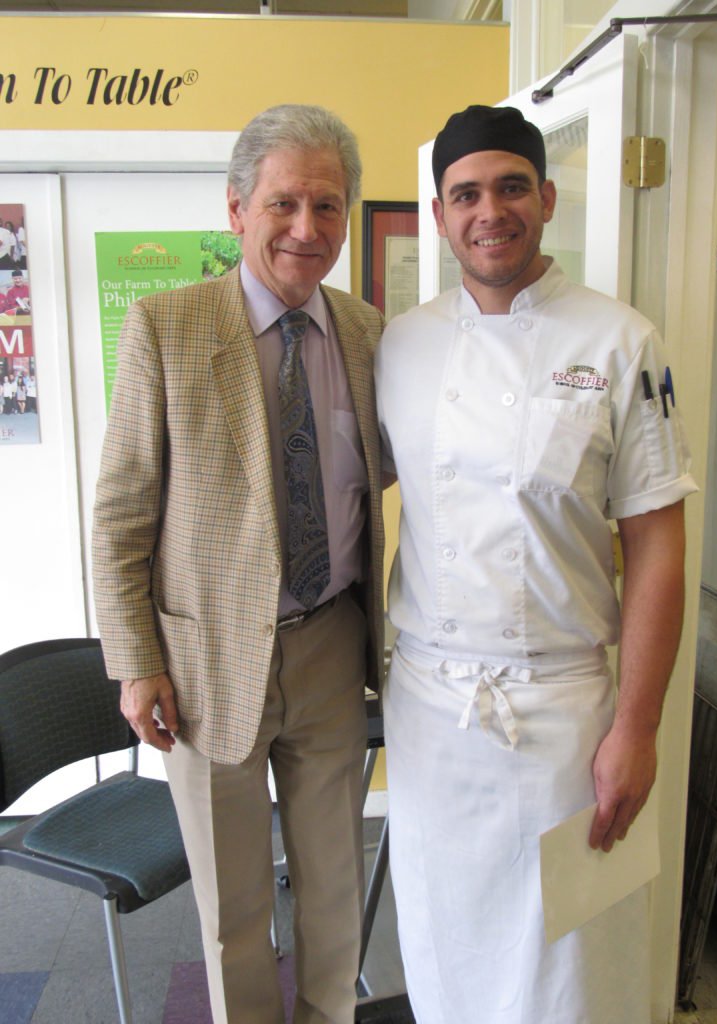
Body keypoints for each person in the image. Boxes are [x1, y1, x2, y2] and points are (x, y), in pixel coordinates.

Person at [374, 104, 698, 1024]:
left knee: (573, 970)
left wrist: (636, 728)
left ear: (547, 198)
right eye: (466, 193)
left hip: (564, 718)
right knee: (446, 952)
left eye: (511, 186)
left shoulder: (621, 342)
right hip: (433, 712)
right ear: (439, 214)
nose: (490, 211)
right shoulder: (402, 345)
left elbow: (659, 546)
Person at [92, 104, 386, 1024]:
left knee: (335, 886)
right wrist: (135, 660)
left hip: (333, 646)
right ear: (236, 209)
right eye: (284, 203)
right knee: (235, 907)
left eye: (328, 206)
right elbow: (121, 511)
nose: (308, 229)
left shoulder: (372, 333)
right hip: (204, 661)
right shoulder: (166, 328)